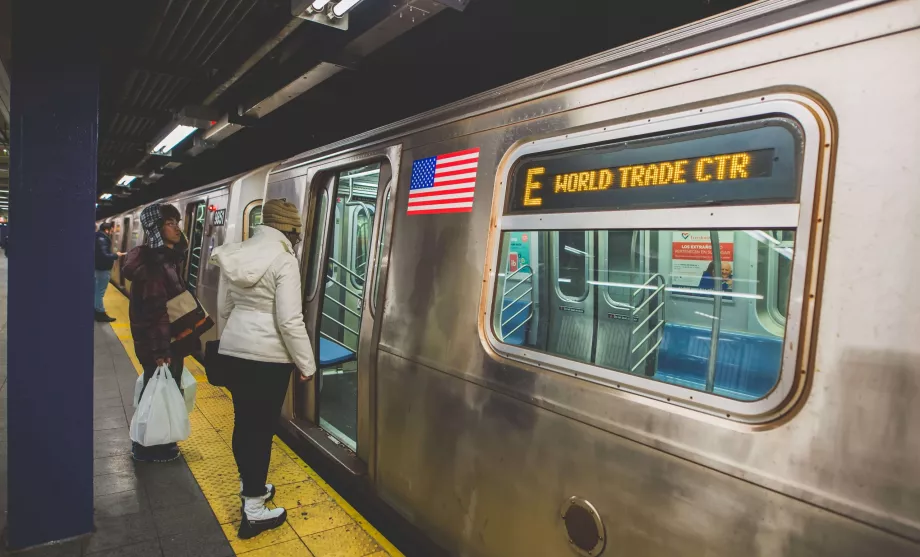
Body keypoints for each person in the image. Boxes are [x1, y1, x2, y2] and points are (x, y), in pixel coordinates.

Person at [210, 199, 316, 539]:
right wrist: (306, 363)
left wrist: (236, 341)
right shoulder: (284, 260)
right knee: (260, 432)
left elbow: (224, 308)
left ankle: (251, 485)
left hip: (235, 353)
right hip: (268, 360)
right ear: (290, 230)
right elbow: (289, 320)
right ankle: (254, 511)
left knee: (244, 425)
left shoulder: (237, 254)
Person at [122, 204, 192, 463]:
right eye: (169, 222)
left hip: (163, 340)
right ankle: (147, 446)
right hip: (160, 342)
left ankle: (158, 442)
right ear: (156, 229)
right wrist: (161, 350)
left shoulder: (165, 260)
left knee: (157, 388)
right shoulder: (153, 266)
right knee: (156, 391)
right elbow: (156, 312)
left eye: (176, 221)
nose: (176, 227)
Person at [94, 222, 125, 322]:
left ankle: (97, 310)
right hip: (102, 269)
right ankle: (100, 313)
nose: (112, 232)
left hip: (99, 267)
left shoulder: (98, 236)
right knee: (100, 291)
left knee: (97, 290)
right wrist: (116, 255)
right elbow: (104, 255)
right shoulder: (102, 239)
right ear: (107, 230)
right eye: (112, 230)